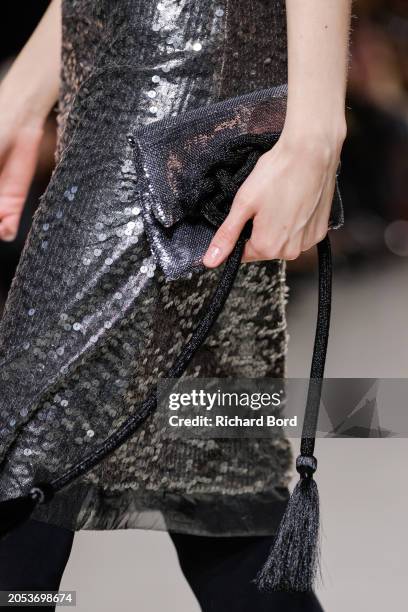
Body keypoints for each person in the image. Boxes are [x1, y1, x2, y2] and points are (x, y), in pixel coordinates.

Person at [0, 1, 351, 610]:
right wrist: (25, 92)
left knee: (18, 451)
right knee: (218, 477)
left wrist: (317, 124)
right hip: (122, 62)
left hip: (174, 73)